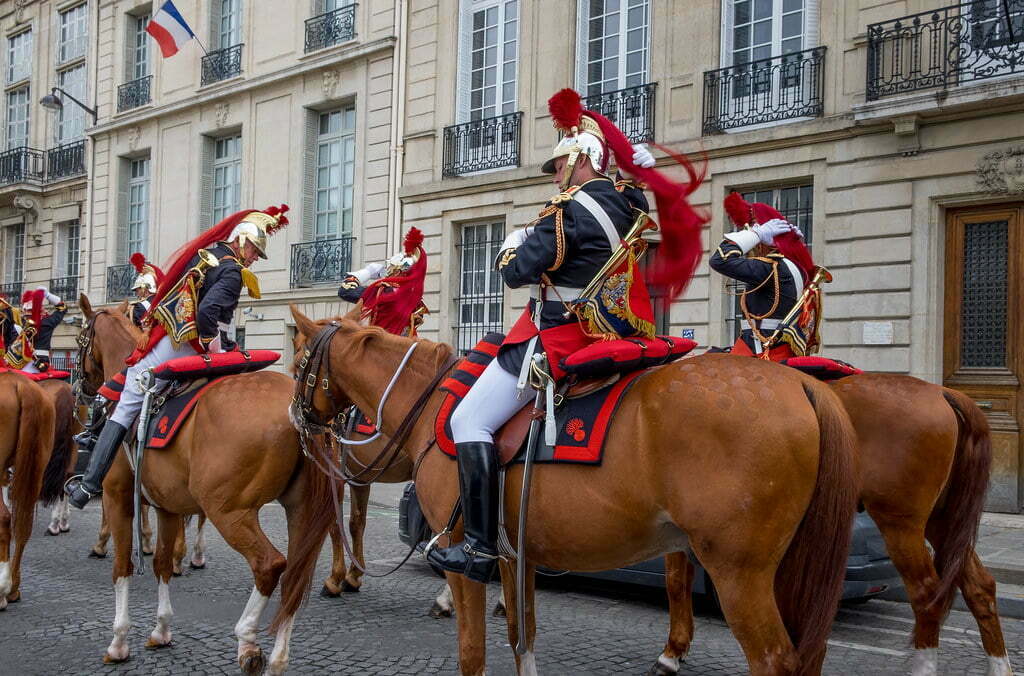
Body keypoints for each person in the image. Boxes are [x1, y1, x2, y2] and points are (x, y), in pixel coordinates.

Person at [427, 88, 706, 583]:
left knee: (468, 420)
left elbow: (515, 273)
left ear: (582, 160)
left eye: (560, 164)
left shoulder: (567, 211)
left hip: (558, 336)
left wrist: (512, 245)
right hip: (609, 330)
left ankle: (480, 546)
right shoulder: (628, 202)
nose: (555, 174)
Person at [66, 205, 289, 509]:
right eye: (253, 250)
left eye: (256, 254)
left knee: (126, 399)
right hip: (188, 343)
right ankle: (91, 482)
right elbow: (209, 313)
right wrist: (216, 348)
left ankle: (88, 483)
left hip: (181, 340)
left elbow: (205, 309)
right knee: (132, 392)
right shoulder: (232, 270)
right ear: (241, 240)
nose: (254, 258)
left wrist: (220, 345)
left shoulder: (210, 256)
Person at [709, 192, 818, 360]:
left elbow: (719, 260)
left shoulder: (770, 268)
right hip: (784, 349)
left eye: (757, 231)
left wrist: (754, 235)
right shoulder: (797, 268)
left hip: (759, 350)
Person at [337, 227, 428, 336]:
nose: (387, 270)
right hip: (406, 346)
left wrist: (368, 271)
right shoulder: (416, 300)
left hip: (382, 346)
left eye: (390, 267)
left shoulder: (383, 292)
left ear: (397, 271)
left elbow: (345, 291)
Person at [1, 288, 66, 372]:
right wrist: (47, 295)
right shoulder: (48, 322)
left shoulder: (19, 324)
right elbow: (63, 307)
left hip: (24, 362)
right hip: (41, 362)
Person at [127, 252, 161, 328]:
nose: (136, 292)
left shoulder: (138, 307)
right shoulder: (161, 302)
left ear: (144, 288)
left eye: (137, 289)